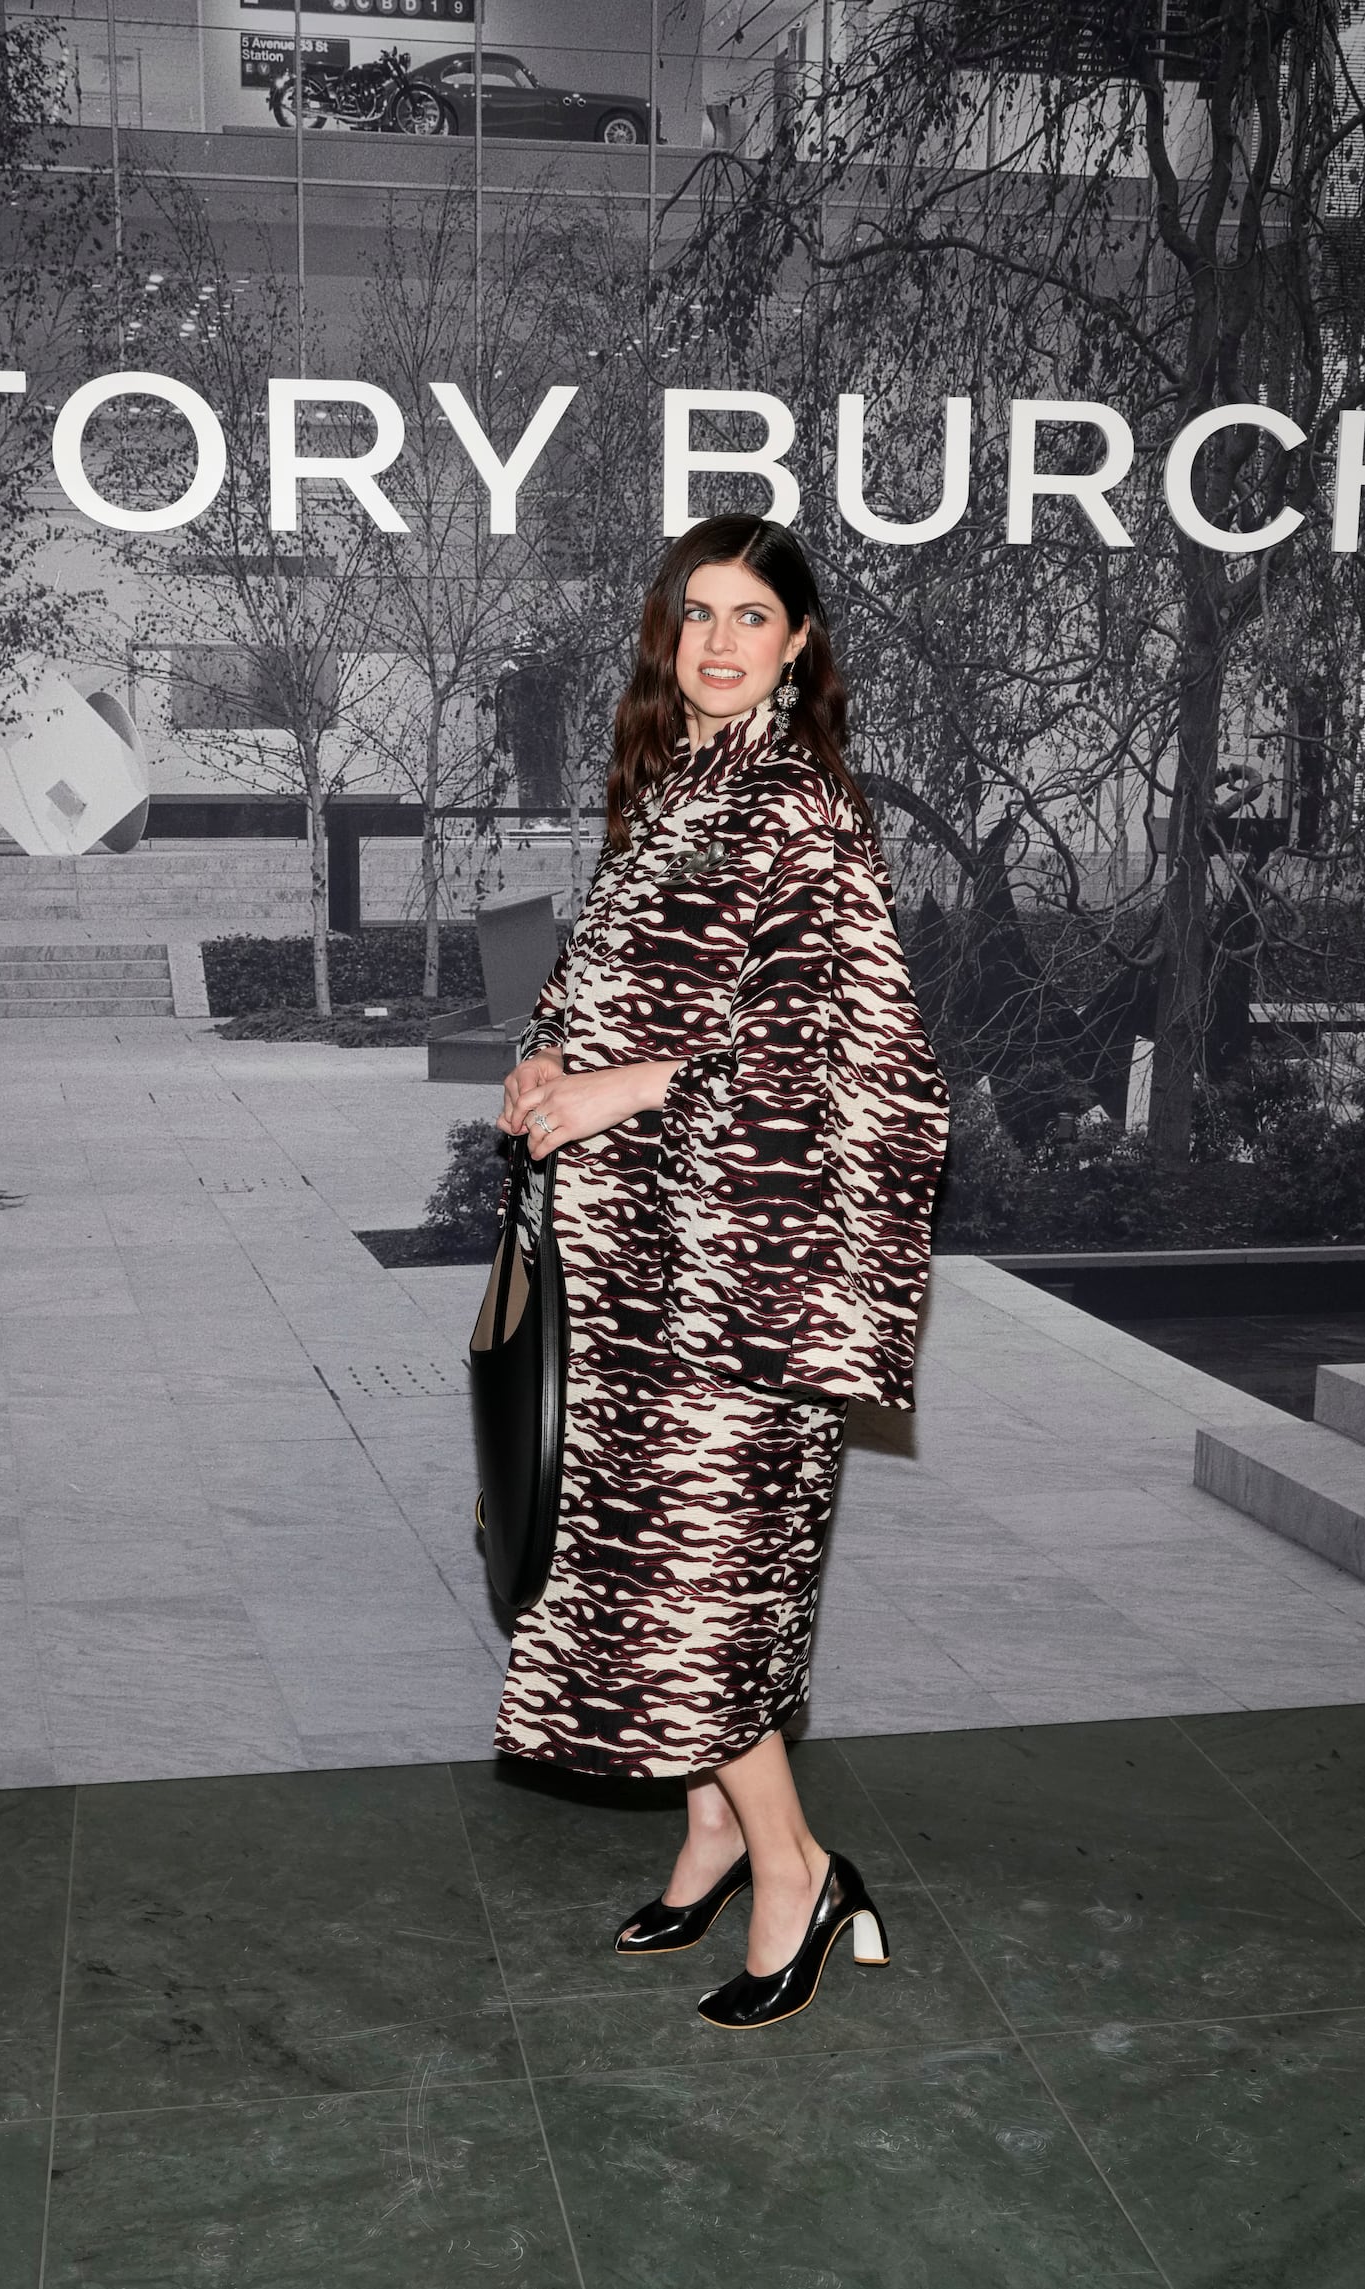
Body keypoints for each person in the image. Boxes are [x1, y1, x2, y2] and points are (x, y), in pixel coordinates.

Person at [491, 514, 949, 2031]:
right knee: (641, 1568)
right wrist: (551, 1051)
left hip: (738, 1280)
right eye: (695, 614)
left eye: (752, 616)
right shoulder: (678, 785)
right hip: (635, 1264)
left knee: (703, 1592)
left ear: (800, 642)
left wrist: (622, 1091)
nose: (719, 642)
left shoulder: (799, 807)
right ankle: (707, 1829)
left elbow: (836, 1045)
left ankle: (799, 1873)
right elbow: (607, 979)